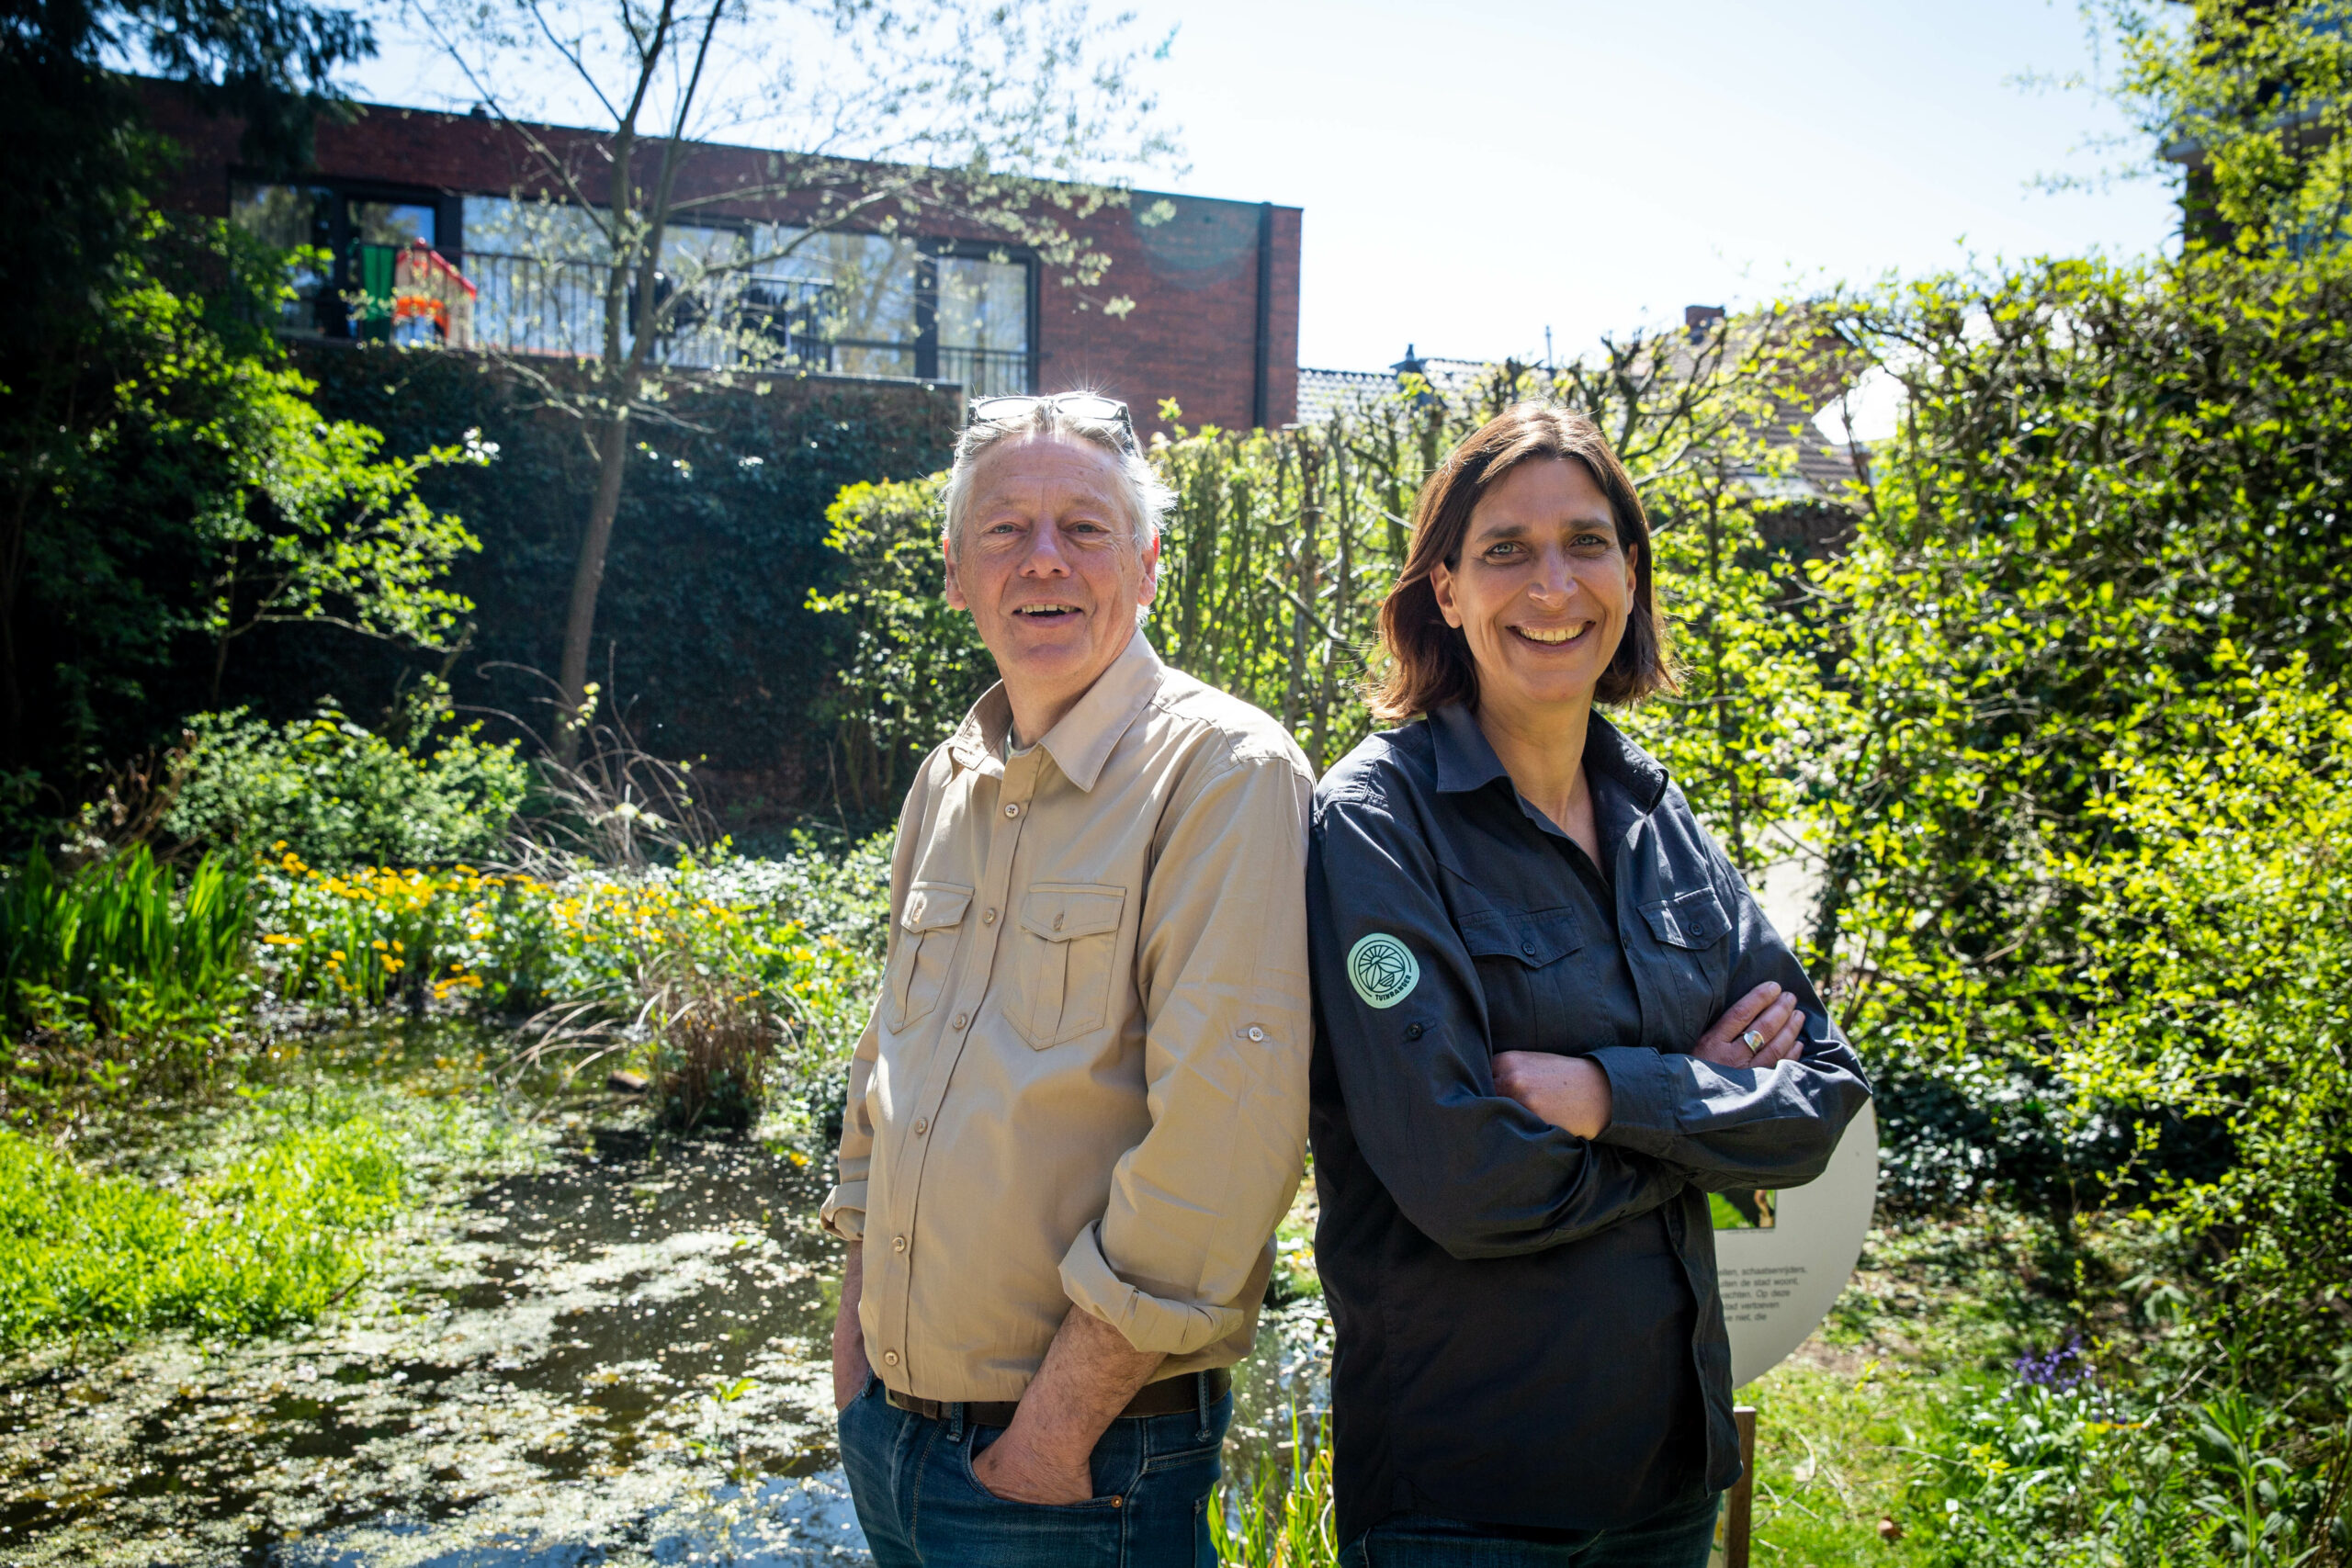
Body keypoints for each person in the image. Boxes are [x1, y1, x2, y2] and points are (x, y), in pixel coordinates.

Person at [1306, 404, 1871, 1567]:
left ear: (1630, 575)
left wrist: (1615, 1096)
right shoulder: (1373, 824)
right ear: (1446, 592)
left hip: (1667, 1478)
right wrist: (1705, 1104)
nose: (1553, 586)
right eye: (1504, 549)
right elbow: (1470, 1183)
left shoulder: (1658, 815)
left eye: (1588, 542)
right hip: (1469, 1506)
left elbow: (1820, 1100)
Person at [821, 392, 1315, 1568]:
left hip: (1074, 1470)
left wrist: (1046, 1442)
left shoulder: (1224, 773)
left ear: (1146, 566)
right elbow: (884, 1073)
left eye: (1084, 529)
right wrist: (853, 1349)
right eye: (1004, 530)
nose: (1042, 560)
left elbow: (1218, 1151)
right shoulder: (948, 775)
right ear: (954, 571)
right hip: (891, 1433)